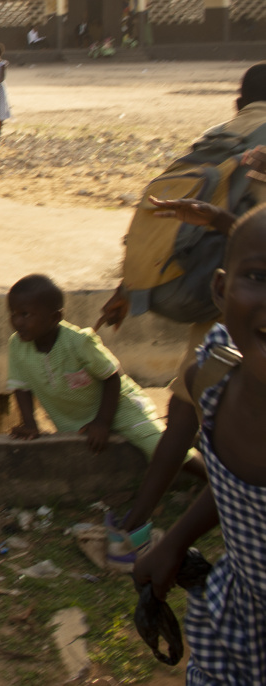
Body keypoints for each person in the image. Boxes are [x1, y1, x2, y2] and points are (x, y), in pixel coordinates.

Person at [94, 66, 266, 557]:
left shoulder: (224, 137)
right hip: (242, 301)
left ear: (240, 100)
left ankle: (134, 525)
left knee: (186, 411)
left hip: (230, 300)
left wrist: (133, 285)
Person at [131, 205, 266, 683]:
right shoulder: (213, 375)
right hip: (240, 619)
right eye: (258, 276)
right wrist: (177, 541)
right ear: (221, 290)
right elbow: (240, 487)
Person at [7, 274, 164, 465]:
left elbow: (112, 376)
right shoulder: (17, 345)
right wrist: (30, 424)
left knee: (161, 447)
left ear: (54, 317)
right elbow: (21, 387)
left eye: (25, 314)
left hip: (122, 409)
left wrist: (102, 422)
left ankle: (208, 478)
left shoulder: (79, 342)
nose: (17, 322)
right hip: (74, 422)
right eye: (13, 313)